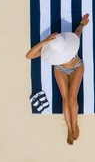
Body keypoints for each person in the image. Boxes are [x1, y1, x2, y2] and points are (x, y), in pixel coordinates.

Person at [26, 14, 90, 145]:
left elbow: (78, 31)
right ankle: (69, 129)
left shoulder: (70, 42)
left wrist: (82, 23)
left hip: (76, 67)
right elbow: (29, 56)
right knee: (65, 99)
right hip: (60, 69)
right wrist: (44, 42)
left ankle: (75, 124)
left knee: (72, 98)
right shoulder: (50, 47)